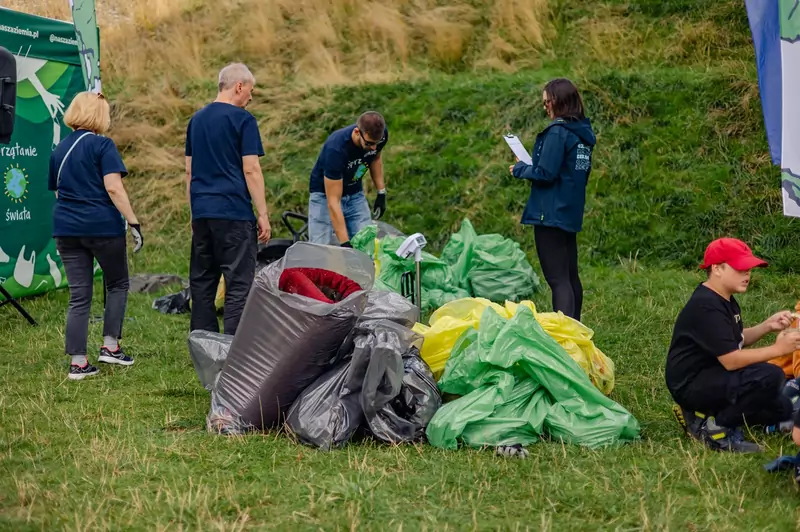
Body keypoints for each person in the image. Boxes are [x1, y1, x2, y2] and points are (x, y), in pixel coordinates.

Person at [666, 238, 800, 453]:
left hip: (711, 375)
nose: (747, 274)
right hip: (691, 384)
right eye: (741, 269)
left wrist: (767, 326)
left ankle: (701, 413)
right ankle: (717, 427)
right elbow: (730, 360)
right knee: (770, 376)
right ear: (717, 268)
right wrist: (778, 350)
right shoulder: (706, 306)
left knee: (783, 408)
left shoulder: (723, 297)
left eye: (749, 269)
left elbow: (735, 338)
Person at [48, 91, 143, 380]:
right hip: (102, 227)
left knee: (79, 295)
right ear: (99, 115)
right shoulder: (103, 146)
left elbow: (57, 191)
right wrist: (134, 222)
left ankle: (78, 363)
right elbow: (114, 188)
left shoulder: (58, 150)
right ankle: (110, 347)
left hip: (66, 229)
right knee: (117, 284)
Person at [185, 63, 271, 337]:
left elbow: (189, 171)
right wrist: (263, 214)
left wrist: (194, 212)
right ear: (239, 86)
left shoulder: (196, 120)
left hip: (203, 212)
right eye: (251, 91)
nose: (251, 97)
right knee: (238, 283)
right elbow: (251, 169)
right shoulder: (244, 120)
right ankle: (234, 349)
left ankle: (203, 343)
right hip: (233, 212)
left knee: (201, 282)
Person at [509, 78, 596, 322]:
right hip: (569, 210)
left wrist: (520, 170)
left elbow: (545, 173)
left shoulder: (558, 132)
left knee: (558, 280)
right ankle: (576, 329)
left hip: (549, 213)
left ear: (558, 101)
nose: (545, 107)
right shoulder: (582, 134)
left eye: (547, 102)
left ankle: (564, 337)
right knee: (570, 276)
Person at [308, 111, 388, 247]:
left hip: (354, 193)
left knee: (366, 245)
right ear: (357, 132)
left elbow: (376, 158)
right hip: (324, 195)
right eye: (369, 143)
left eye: (377, 143)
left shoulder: (379, 136)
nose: (373, 147)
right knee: (319, 249)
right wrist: (345, 243)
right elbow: (333, 201)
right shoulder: (336, 149)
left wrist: (381, 191)